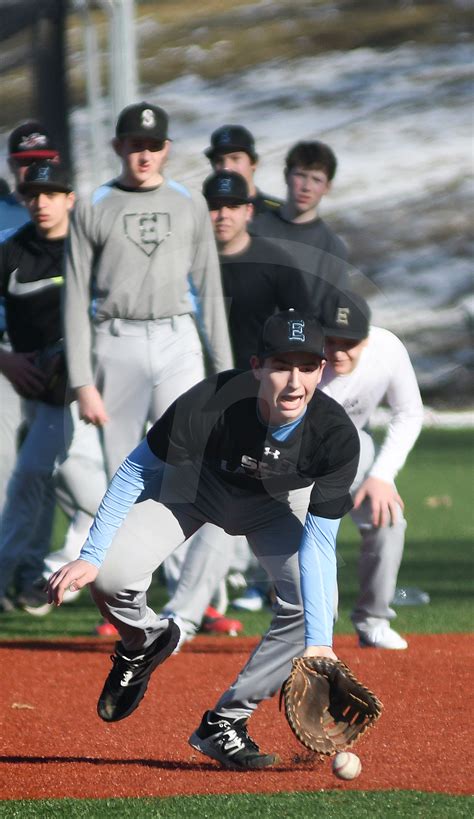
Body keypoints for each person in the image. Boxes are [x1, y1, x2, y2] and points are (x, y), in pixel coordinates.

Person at [48, 309, 360, 771]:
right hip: (193, 490)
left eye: (307, 366)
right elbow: (137, 469)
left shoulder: (334, 437)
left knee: (314, 604)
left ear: (322, 369)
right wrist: (91, 555)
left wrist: (320, 642)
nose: (294, 381)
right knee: (111, 579)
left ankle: (225, 724)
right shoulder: (210, 401)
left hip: (273, 505)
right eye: (281, 365)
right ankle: (144, 641)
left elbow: (319, 543)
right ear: (257, 366)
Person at [161, 171, 311, 643]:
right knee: (186, 497)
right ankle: (189, 608)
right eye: (213, 204)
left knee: (251, 502)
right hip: (194, 395)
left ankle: (288, 608)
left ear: (250, 210)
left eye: (232, 205)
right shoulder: (184, 262)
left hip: (259, 402)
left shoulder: (276, 264)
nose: (221, 213)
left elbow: (306, 334)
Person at [64, 101, 233, 481]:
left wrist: (224, 375)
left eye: (154, 146)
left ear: (167, 148)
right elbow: (74, 295)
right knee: (122, 475)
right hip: (116, 338)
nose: (145, 155)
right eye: (136, 144)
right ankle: (126, 541)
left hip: (177, 336)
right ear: (117, 146)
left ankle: (183, 543)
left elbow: (210, 291)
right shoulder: (93, 205)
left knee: (191, 466)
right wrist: (82, 381)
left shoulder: (190, 202)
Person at [319, 291, 424, 649]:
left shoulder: (387, 349)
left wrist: (382, 475)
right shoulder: (299, 358)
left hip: (353, 447)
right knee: (307, 538)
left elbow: (408, 413)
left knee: (387, 516)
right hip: (292, 457)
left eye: (349, 343)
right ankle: (309, 624)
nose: (338, 352)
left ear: (367, 338)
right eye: (329, 340)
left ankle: (373, 620)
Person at [0, 160, 75, 612]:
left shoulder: (89, 248)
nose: (41, 203)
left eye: (51, 193)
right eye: (33, 195)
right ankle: (29, 576)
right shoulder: (12, 250)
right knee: (30, 478)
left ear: (70, 198)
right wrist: (5, 359)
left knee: (99, 490)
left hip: (95, 390)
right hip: (47, 395)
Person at [251, 140, 350, 310]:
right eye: (301, 175)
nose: (306, 187)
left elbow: (334, 313)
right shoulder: (252, 230)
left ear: (327, 187)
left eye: (316, 180)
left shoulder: (332, 248)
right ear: (286, 175)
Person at [204, 125, 281, 215]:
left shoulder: (280, 213)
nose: (226, 167)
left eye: (235, 158)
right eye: (219, 160)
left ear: (254, 163)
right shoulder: (201, 214)